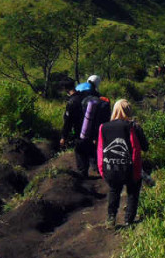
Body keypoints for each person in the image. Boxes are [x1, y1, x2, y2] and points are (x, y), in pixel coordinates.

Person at [97, 99, 149, 227]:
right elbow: (144, 147)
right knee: (133, 192)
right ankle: (129, 221)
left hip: (111, 166)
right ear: (128, 110)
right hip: (130, 168)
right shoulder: (133, 126)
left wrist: (102, 169)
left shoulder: (104, 127)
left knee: (114, 191)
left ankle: (111, 218)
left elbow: (100, 149)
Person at [62, 74, 109, 177]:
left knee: (80, 151)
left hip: (79, 130)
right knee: (91, 149)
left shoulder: (73, 100)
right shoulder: (86, 96)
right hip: (90, 127)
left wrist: (63, 137)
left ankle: (83, 174)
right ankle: (98, 170)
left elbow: (68, 122)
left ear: (65, 88)